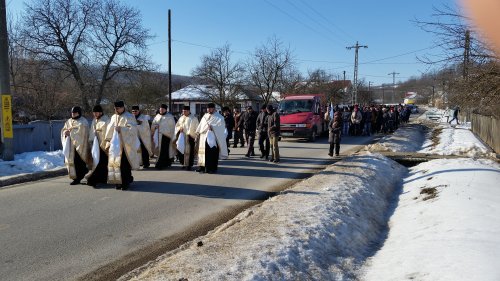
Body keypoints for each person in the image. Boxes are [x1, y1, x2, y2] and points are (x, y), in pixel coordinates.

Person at [105, 101, 140, 190]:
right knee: (115, 164)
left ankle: (125, 182)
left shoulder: (129, 116)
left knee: (124, 165)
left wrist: (121, 129)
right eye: (115, 108)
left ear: (122, 107)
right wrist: (108, 140)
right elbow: (109, 129)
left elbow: (133, 130)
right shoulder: (113, 117)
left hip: (125, 145)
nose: (116, 110)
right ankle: (118, 182)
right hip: (115, 145)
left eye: (118, 108)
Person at [61, 106, 92, 185]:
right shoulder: (68, 121)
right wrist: (65, 133)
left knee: (79, 162)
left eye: (75, 113)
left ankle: (80, 177)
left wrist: (70, 132)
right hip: (71, 146)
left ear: (79, 113)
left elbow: (82, 132)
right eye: (72, 113)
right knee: (72, 162)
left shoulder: (83, 121)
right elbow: (64, 129)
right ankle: (76, 178)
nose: (73, 114)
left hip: (80, 146)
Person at [196, 103, 228, 173]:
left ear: (214, 108)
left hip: (213, 138)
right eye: (207, 108)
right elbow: (201, 125)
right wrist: (198, 132)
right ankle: (201, 167)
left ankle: (212, 168)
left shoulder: (219, 117)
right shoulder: (205, 116)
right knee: (202, 153)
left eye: (210, 108)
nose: (208, 110)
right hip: (203, 138)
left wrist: (213, 127)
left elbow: (221, 128)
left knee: (211, 154)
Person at [86, 105, 110, 188]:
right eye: (94, 113)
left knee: (102, 163)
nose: (95, 114)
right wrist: (91, 140)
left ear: (101, 112)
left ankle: (97, 179)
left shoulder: (106, 120)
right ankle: (99, 179)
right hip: (96, 145)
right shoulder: (94, 120)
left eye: (96, 112)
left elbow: (108, 132)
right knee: (97, 163)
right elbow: (92, 132)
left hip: (103, 145)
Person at [151, 104, 176, 170]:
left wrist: (161, 129)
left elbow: (172, 127)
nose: (161, 110)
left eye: (162, 109)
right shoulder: (157, 116)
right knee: (160, 150)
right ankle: (165, 162)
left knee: (164, 150)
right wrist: (155, 127)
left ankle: (160, 164)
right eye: (160, 109)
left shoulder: (169, 117)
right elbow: (153, 125)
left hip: (166, 136)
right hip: (158, 136)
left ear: (165, 110)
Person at [175, 105, 199, 170]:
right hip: (182, 136)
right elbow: (177, 126)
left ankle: (189, 165)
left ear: (188, 111)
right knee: (181, 150)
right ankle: (183, 163)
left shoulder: (193, 118)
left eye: (185, 111)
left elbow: (196, 128)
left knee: (189, 152)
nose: (183, 112)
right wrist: (179, 128)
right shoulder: (181, 118)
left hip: (190, 137)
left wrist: (193, 135)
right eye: (183, 111)